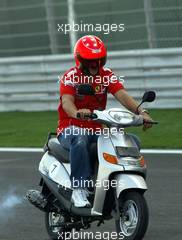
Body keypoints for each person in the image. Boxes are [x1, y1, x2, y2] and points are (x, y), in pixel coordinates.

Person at [57, 35, 153, 208]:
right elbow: (67, 102)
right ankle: (79, 187)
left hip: (97, 130)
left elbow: (122, 95)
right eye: (90, 60)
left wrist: (142, 112)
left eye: (99, 60)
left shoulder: (107, 75)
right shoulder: (70, 76)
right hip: (70, 127)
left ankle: (114, 183)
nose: (95, 64)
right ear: (79, 60)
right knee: (79, 139)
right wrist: (77, 113)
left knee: (132, 140)